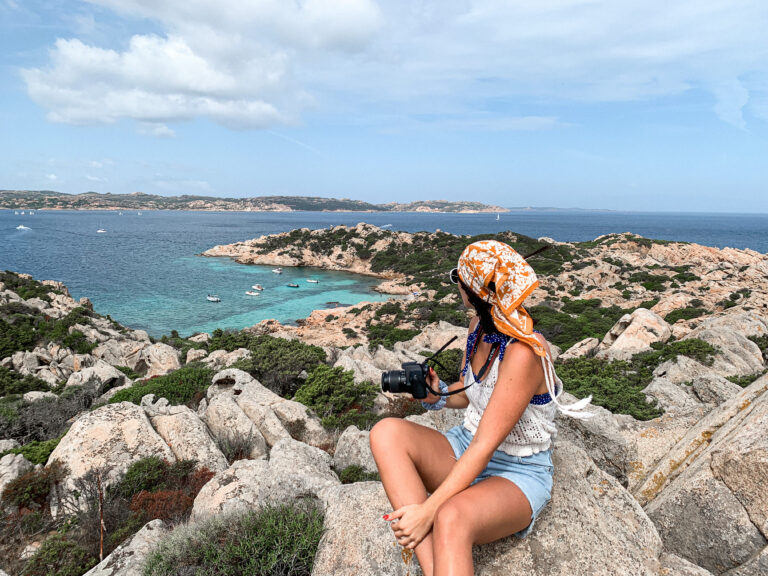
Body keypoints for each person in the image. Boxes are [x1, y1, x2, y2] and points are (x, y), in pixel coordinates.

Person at [369, 240, 592, 576]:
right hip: (464, 444)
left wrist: (427, 511)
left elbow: (486, 445)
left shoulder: (524, 353)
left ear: (473, 292)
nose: (457, 284)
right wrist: (438, 395)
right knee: (386, 433)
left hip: (517, 471)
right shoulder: (479, 329)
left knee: (450, 516)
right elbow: (472, 393)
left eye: (459, 277)